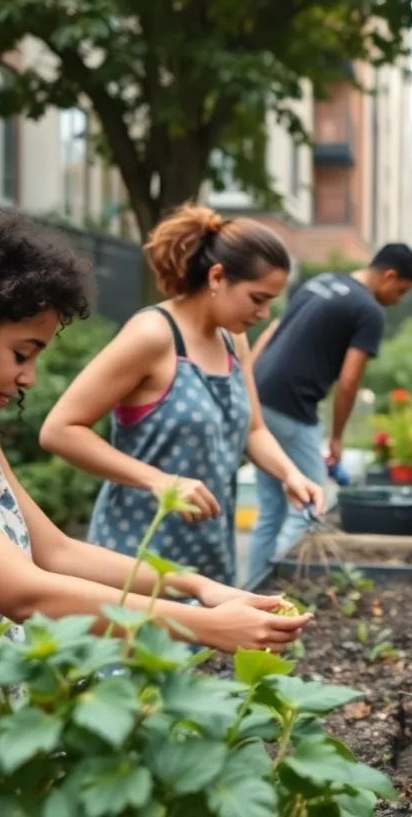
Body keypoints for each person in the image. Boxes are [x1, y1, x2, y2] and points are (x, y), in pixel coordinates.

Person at [0, 207, 311, 753]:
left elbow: (58, 553)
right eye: (22, 354)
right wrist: (199, 625)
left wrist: (196, 586)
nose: (29, 377)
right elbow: (24, 591)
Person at [41, 205, 324, 588]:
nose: (264, 313)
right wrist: (158, 480)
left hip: (210, 555)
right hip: (139, 556)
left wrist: (291, 474)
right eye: (257, 298)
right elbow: (60, 429)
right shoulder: (153, 336)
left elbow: (253, 431)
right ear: (218, 277)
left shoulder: (233, 339)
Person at [247, 244, 412, 580]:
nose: (398, 299)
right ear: (388, 276)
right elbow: (348, 381)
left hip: (259, 398)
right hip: (292, 407)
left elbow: (272, 333)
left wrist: (246, 385)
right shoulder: (369, 310)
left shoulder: (322, 282)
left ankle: (250, 588)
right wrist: (337, 438)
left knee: (272, 509)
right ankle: (275, 584)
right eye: (400, 290)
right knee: (311, 504)